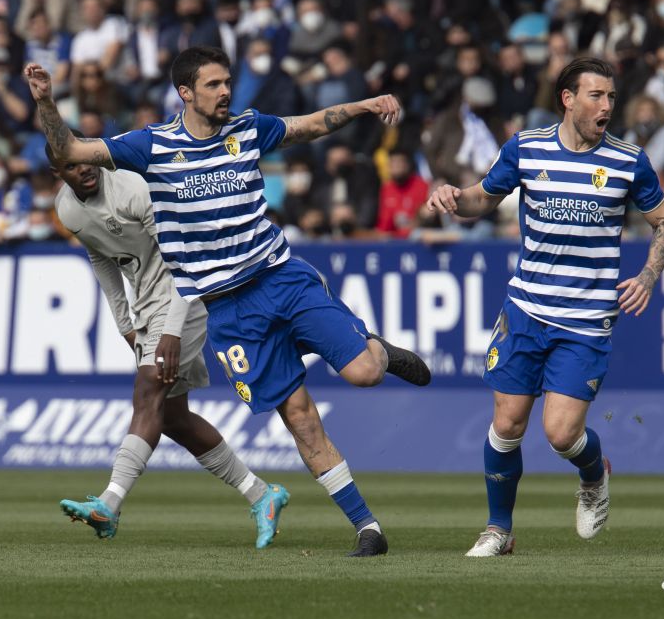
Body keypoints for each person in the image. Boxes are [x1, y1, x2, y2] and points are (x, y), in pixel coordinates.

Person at [24, 45, 430, 557]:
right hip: (230, 313)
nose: (225, 92)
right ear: (185, 93)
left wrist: (363, 106)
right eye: (213, 85)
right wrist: (46, 102)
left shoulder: (248, 128)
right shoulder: (150, 146)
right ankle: (368, 528)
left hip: (280, 278)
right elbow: (69, 153)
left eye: (227, 82)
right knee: (300, 418)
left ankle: (381, 352)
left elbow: (309, 125)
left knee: (366, 373)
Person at [426, 57, 664, 557]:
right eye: (596, 95)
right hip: (526, 309)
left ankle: (593, 473)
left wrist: (649, 275)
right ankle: (499, 529)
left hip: (585, 320)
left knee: (562, 433)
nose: (606, 105)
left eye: (611, 96)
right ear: (568, 98)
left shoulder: (628, 160)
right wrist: (454, 197)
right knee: (507, 424)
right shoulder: (526, 147)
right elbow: (483, 198)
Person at [47, 137, 289, 548]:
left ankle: (109, 503)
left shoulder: (133, 187)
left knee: (148, 391)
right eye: (71, 166)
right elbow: (101, 259)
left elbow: (185, 256)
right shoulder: (67, 209)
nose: (83, 168)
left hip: (187, 290)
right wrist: (125, 323)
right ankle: (262, 494)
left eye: (85, 159)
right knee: (172, 416)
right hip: (147, 304)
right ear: (59, 173)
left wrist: (173, 330)